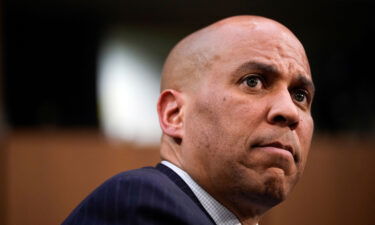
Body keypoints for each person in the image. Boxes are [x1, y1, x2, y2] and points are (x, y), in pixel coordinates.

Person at [62, 15, 314, 225]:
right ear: (175, 115)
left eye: (300, 95)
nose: (289, 111)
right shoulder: (143, 205)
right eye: (253, 81)